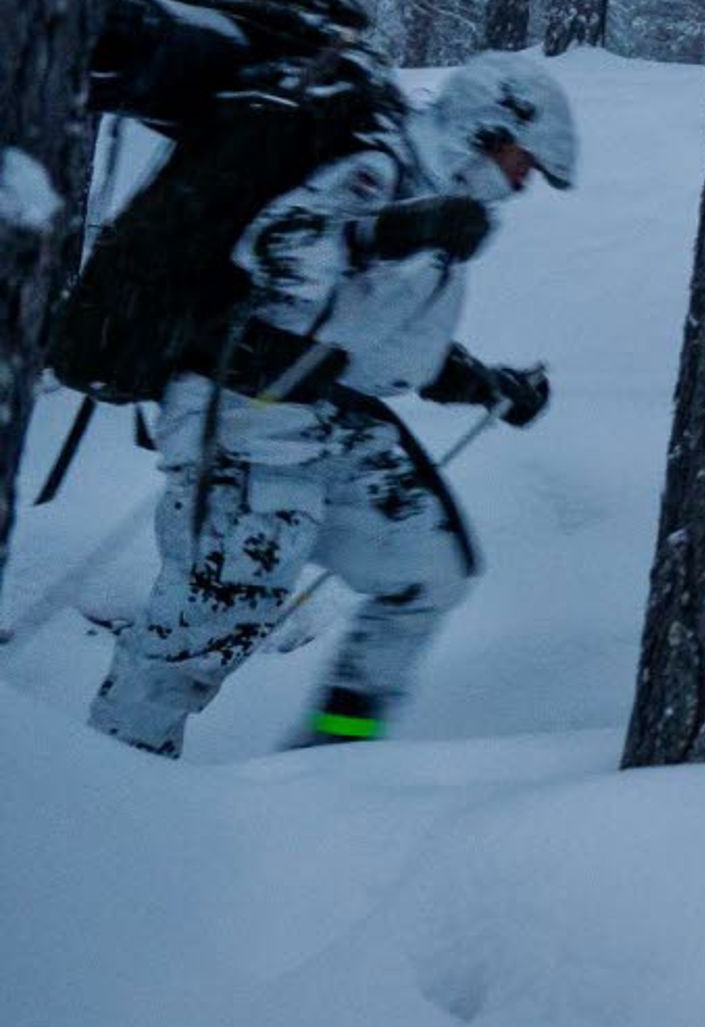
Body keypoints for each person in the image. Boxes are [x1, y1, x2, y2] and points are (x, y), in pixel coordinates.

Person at [87, 53, 573, 756]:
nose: (524, 183)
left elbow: (388, 348)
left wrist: (492, 386)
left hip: (323, 418)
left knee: (428, 574)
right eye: (524, 163)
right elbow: (278, 248)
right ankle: (109, 784)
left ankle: (333, 765)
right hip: (243, 411)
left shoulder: (439, 205)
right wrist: (395, 230)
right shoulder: (376, 166)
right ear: (487, 130)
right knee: (203, 633)